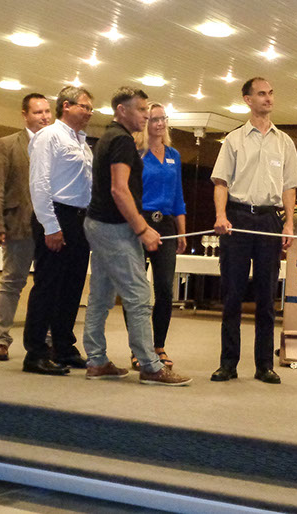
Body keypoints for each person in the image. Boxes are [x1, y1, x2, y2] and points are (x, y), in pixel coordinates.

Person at [83, 87, 191, 386]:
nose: (146, 116)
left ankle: (96, 360)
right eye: (141, 110)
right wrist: (142, 229)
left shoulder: (109, 137)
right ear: (122, 110)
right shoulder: (121, 141)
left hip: (99, 224)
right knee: (140, 295)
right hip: (114, 227)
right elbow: (119, 190)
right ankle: (150, 365)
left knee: (101, 295)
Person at [210, 77, 297, 384]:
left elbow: (289, 187)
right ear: (248, 100)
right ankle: (228, 363)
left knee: (266, 297)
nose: (268, 98)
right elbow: (221, 182)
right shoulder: (234, 139)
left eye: (271, 93)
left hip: (269, 221)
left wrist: (289, 223)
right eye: (262, 94)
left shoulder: (284, 142)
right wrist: (221, 215)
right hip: (237, 218)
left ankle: (264, 365)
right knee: (232, 295)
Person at [23, 86, 94, 376]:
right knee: (48, 286)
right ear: (66, 106)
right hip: (56, 214)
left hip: (79, 218)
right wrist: (51, 227)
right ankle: (35, 352)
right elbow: (39, 183)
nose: (89, 112)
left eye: (90, 108)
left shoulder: (82, 142)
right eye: (84, 106)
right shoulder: (49, 136)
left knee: (72, 286)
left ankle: (63, 347)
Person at [0, 93, 51, 361]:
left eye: (47, 111)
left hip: (51, 226)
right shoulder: (8, 144)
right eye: (38, 112)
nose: (44, 117)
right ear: (25, 115)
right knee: (12, 282)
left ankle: (46, 336)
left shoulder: (57, 144)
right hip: (19, 223)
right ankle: (0, 338)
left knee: (48, 284)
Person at [127, 102, 187, 370]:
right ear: (145, 122)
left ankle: (158, 345)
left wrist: (182, 231)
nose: (160, 123)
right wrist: (137, 224)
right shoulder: (136, 153)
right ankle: (137, 348)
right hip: (140, 223)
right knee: (136, 289)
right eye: (154, 119)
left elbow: (178, 196)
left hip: (167, 225)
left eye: (163, 119)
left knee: (164, 288)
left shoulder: (174, 155)